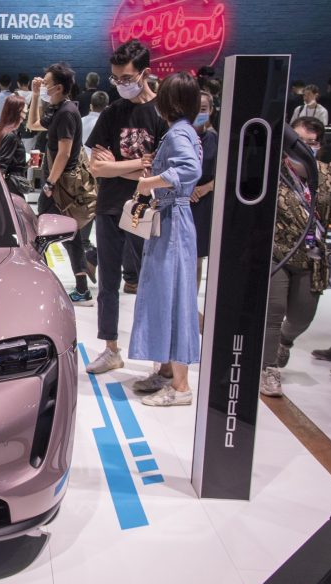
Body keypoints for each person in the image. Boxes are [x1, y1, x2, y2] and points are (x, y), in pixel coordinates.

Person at [85, 39, 169, 376]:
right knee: (108, 280)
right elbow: (96, 167)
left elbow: (161, 171)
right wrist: (136, 165)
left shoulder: (163, 113)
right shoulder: (112, 112)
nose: (121, 84)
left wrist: (119, 165)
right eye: (116, 78)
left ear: (145, 73)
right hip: (109, 207)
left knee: (152, 282)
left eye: (127, 77)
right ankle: (110, 348)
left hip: (147, 208)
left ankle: (158, 355)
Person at [128, 72, 203, 406]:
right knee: (165, 294)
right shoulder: (183, 131)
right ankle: (168, 372)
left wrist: (151, 182)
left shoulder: (178, 134)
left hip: (174, 222)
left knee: (174, 297)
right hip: (173, 220)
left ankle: (181, 387)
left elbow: (189, 169)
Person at [260, 117, 331, 397]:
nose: (304, 148)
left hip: (312, 257)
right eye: (298, 142)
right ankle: (268, 369)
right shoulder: (271, 172)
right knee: (273, 312)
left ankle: (286, 339)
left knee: (302, 316)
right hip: (276, 253)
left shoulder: (329, 177)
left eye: (311, 143)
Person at [28, 63, 97, 306]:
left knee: (40, 233)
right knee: (71, 234)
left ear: (58, 87)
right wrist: (36, 95)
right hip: (58, 184)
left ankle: (33, 280)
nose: (43, 86)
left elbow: (64, 152)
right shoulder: (56, 108)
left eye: (46, 84)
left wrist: (49, 183)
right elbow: (33, 124)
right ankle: (82, 288)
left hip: (60, 185)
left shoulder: (67, 112)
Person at [191, 91, 219, 331]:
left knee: (197, 258)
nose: (200, 113)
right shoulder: (178, 136)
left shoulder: (214, 139)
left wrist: (205, 188)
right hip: (179, 201)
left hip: (204, 203)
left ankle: (192, 306)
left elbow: (225, 174)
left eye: (203, 108)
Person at [0, 95, 29, 188]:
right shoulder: (11, 136)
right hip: (13, 185)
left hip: (14, 182)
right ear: (17, 111)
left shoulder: (9, 133)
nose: (26, 111)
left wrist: (24, 164)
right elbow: (2, 165)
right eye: (23, 109)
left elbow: (7, 162)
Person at [81, 91, 108, 156]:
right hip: (100, 161)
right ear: (107, 107)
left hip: (81, 160)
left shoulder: (80, 121)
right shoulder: (108, 124)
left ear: (91, 106)